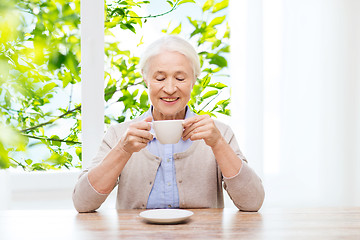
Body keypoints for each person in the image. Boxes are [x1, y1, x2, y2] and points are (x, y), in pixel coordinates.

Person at [72, 35, 265, 212]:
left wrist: (219, 144)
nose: (170, 88)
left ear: (194, 80)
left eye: (180, 78)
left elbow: (253, 203)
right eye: (160, 78)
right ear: (145, 79)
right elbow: (82, 203)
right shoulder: (120, 135)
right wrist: (122, 150)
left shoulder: (218, 133)